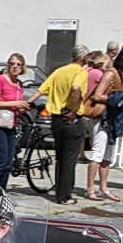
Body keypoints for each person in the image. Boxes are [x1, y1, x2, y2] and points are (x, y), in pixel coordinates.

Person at [37, 47, 90, 205]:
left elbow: (42, 90)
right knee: (69, 159)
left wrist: (27, 103)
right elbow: (75, 88)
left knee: (60, 157)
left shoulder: (60, 71)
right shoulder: (80, 72)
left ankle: (59, 189)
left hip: (57, 119)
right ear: (84, 57)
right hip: (71, 118)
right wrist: (74, 109)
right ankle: (65, 195)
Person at [82, 52, 123, 202]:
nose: (109, 64)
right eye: (107, 61)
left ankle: (103, 188)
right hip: (100, 117)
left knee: (107, 156)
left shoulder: (109, 74)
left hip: (110, 118)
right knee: (97, 154)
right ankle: (90, 188)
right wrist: (118, 98)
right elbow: (97, 95)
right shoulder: (100, 74)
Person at [0, 53, 30, 190]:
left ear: (22, 68)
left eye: (18, 64)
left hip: (11, 124)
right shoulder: (0, 80)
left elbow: (14, 106)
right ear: (8, 65)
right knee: (0, 161)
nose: (15, 66)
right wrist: (14, 103)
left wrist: (22, 107)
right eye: (12, 63)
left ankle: (0, 195)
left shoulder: (19, 84)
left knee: (8, 164)